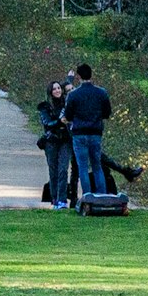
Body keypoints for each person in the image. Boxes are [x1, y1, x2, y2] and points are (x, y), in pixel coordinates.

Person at [60, 63, 114, 204]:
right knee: (97, 166)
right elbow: (107, 113)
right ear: (91, 75)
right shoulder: (101, 92)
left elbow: (69, 115)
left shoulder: (74, 95)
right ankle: (102, 197)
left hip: (79, 134)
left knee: (82, 166)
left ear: (78, 77)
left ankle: (88, 197)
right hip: (95, 132)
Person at [36, 79, 75, 209]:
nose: (57, 90)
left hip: (65, 140)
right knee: (53, 170)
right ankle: (55, 199)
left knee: (63, 169)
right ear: (50, 92)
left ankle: (62, 200)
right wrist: (59, 122)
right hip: (51, 141)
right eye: (54, 89)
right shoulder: (45, 107)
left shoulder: (67, 104)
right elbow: (47, 124)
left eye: (59, 88)